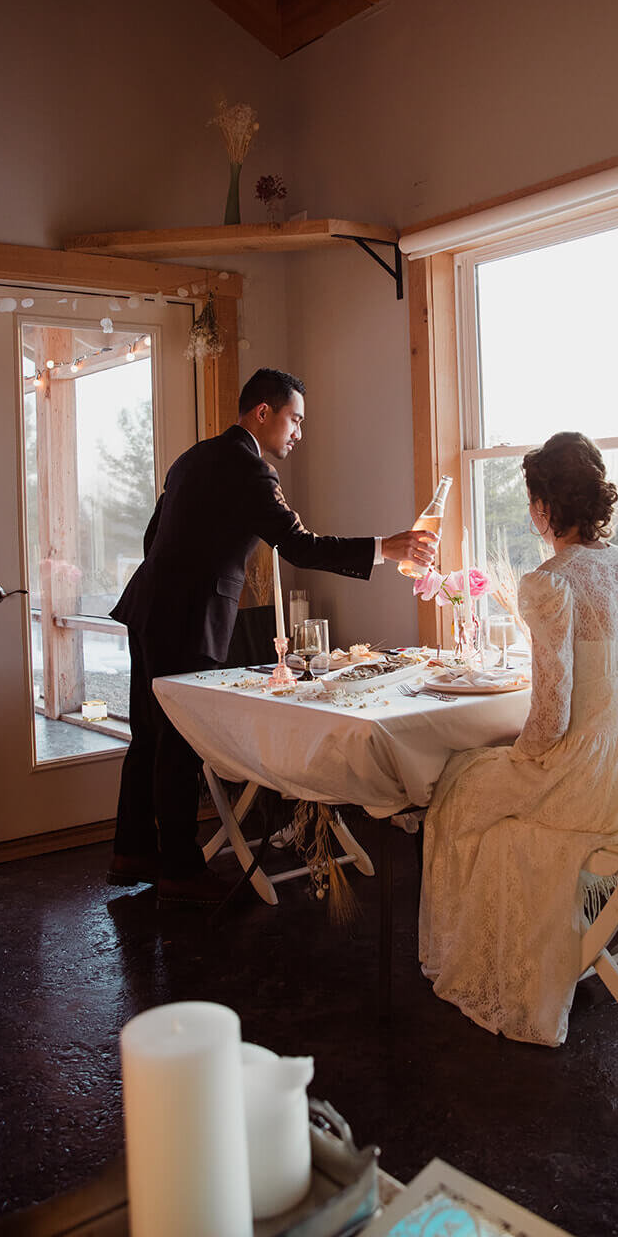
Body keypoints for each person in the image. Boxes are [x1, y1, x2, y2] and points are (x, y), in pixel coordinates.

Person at [108, 367, 437, 903]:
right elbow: (300, 546)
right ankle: (180, 870)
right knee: (179, 743)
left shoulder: (193, 458)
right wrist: (387, 547)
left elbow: (153, 536)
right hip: (188, 617)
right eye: (295, 419)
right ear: (263, 413)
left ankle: (132, 851)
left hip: (148, 607)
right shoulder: (251, 470)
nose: (299, 433)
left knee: (148, 735)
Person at [418, 431, 618, 1046]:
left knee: (460, 784)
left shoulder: (552, 581)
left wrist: (521, 761)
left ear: (542, 506)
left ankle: (495, 964)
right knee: (484, 780)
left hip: (585, 782)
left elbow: (552, 718)